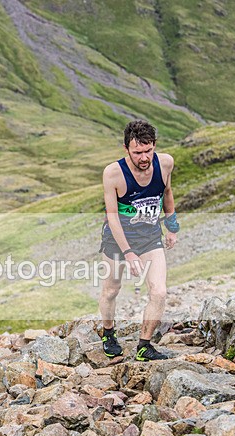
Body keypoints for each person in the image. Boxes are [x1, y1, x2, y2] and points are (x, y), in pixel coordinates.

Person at [98, 120, 179, 362]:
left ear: (154, 145)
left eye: (148, 151)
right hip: (117, 239)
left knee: (159, 291)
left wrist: (172, 227)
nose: (144, 158)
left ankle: (144, 346)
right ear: (126, 149)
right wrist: (128, 252)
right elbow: (112, 217)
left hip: (150, 236)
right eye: (137, 152)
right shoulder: (113, 173)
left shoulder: (166, 163)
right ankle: (108, 333)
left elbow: (167, 193)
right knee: (111, 290)